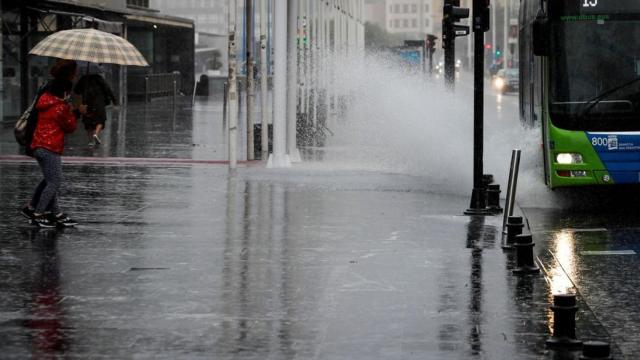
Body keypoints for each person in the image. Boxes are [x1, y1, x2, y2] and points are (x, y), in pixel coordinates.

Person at [20, 59, 86, 228]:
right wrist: (77, 112)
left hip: (38, 145)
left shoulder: (45, 99)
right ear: (64, 91)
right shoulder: (60, 108)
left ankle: (51, 212)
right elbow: (70, 127)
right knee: (54, 182)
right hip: (51, 146)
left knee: (50, 179)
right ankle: (38, 213)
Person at [74, 68, 117, 147]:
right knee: (100, 120)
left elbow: (76, 90)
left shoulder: (83, 79)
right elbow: (107, 88)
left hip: (86, 102)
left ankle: (90, 141)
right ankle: (96, 133)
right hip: (99, 102)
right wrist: (114, 100)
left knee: (88, 122)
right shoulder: (99, 78)